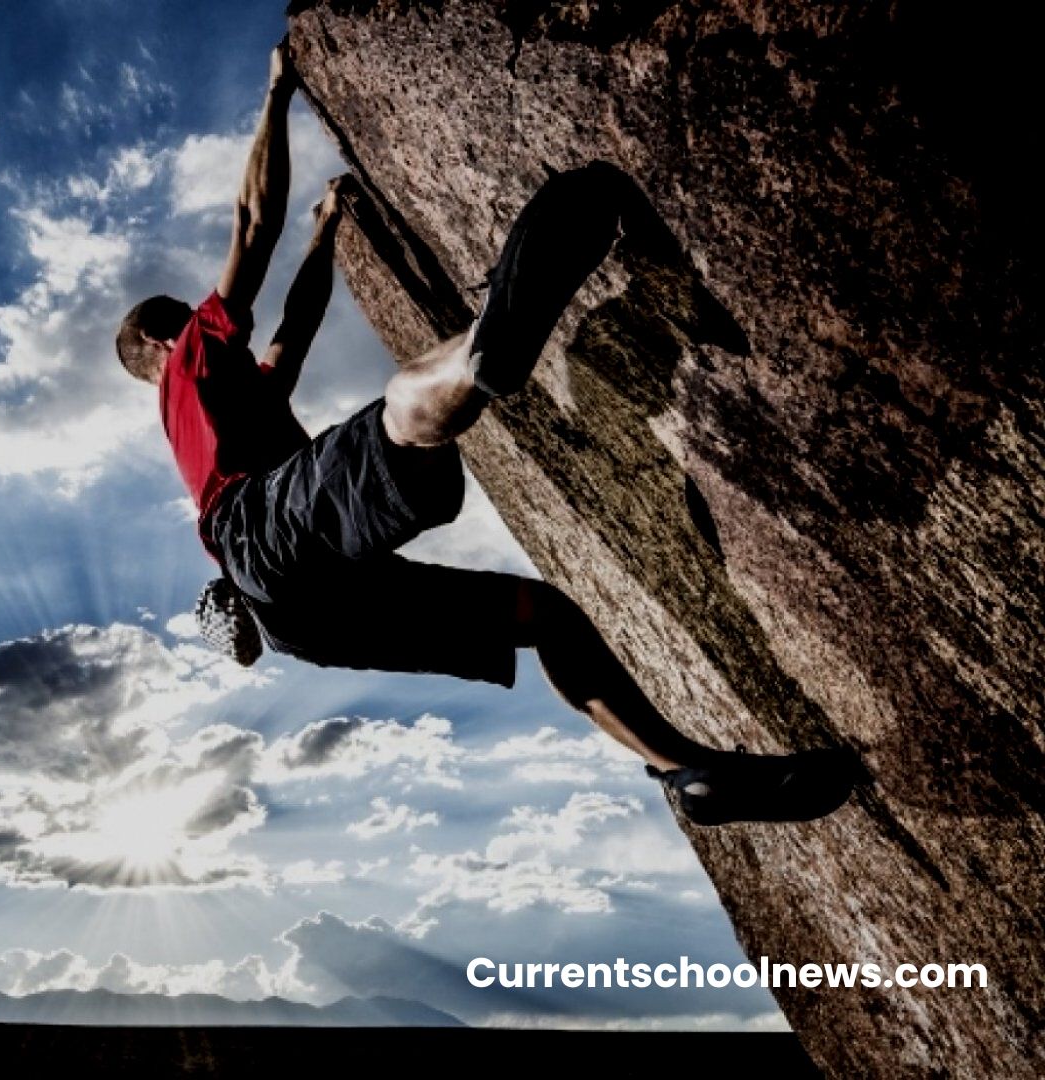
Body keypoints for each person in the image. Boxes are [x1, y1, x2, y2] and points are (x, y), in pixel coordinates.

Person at [114, 40, 855, 827]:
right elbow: (251, 221)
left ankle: (687, 774)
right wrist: (275, 95)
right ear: (165, 344)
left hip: (309, 607)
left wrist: (327, 232)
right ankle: (473, 357)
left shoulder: (227, 402)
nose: (201, 320)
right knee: (399, 409)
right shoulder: (187, 356)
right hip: (263, 533)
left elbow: (290, 334)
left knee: (544, 617)